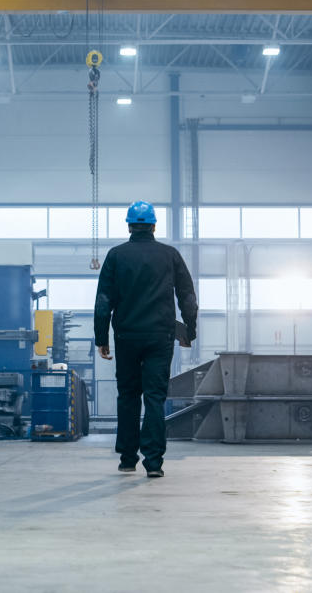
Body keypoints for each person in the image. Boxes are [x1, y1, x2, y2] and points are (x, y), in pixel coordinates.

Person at [94, 201, 198, 478]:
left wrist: (101, 337)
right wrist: (189, 330)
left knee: (128, 396)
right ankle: (154, 463)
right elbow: (187, 296)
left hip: (126, 335)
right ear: (153, 226)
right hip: (159, 336)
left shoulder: (116, 256)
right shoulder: (170, 255)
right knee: (154, 397)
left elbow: (104, 299)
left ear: (129, 225)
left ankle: (128, 458)